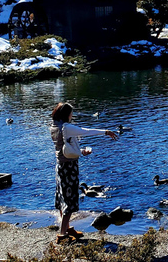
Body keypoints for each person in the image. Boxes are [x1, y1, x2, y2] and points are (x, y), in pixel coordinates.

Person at [50, 102, 118, 243]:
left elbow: (64, 150)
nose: (72, 115)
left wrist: (81, 152)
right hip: (69, 169)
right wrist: (105, 132)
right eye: (71, 113)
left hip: (61, 167)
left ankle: (67, 228)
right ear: (66, 114)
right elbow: (85, 131)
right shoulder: (66, 127)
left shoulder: (55, 127)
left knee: (63, 199)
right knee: (69, 201)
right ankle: (62, 235)